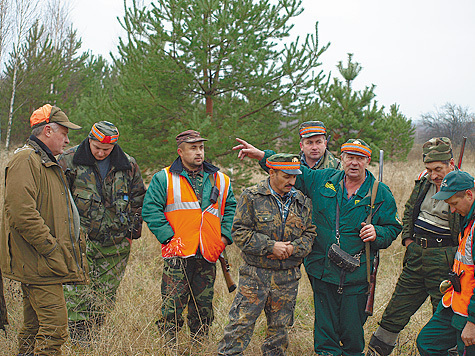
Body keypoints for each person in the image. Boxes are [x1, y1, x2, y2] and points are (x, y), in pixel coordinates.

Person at [234, 138, 402, 356]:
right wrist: (262, 155)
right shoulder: (322, 179)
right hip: (323, 270)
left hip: (357, 274)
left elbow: (393, 227)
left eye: (359, 158)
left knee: (352, 331)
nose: (354, 163)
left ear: (367, 161)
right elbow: (291, 169)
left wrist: (377, 233)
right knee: (325, 331)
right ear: (341, 158)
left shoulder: (381, 192)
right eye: (349, 157)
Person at [0, 104, 88, 355]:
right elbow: (21, 212)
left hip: (40, 262)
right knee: (54, 331)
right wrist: (50, 248)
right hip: (40, 261)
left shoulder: (45, 162)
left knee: (33, 326)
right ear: (48, 130)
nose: (68, 139)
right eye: (64, 132)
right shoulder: (26, 160)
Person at [367, 137, 460, 355]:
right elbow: (409, 210)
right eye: (429, 169)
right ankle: (376, 351)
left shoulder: (463, 186)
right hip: (417, 255)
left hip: (445, 259)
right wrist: (408, 241)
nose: (434, 175)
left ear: (451, 164)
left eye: (438, 169)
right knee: (396, 310)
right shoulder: (424, 181)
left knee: (446, 315)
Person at [142, 130, 236, 342]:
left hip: (208, 252)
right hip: (177, 254)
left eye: (201, 147)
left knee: (203, 307)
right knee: (172, 305)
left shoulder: (220, 180)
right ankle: (169, 346)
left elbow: (230, 209)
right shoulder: (163, 178)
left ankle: (199, 344)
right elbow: (150, 210)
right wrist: (168, 238)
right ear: (180, 152)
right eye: (193, 148)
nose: (199, 152)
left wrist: (223, 239)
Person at [217, 153, 316, 355]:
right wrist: (271, 246)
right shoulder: (251, 197)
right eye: (286, 176)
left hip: (287, 277)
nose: (292, 181)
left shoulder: (302, 201)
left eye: (294, 176)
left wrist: (292, 249)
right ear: (271, 172)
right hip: (255, 275)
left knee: (279, 332)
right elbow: (239, 232)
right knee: (240, 326)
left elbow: (310, 235)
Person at [58, 121, 146, 337]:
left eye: (106, 150)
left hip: (115, 244)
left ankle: (93, 334)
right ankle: (79, 338)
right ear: (89, 140)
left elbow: (138, 200)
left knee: (104, 294)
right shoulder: (68, 161)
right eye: (96, 147)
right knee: (77, 291)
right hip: (80, 241)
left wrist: (131, 234)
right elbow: (58, 200)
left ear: (114, 147)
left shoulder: (128, 165)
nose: (100, 152)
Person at [416, 170, 475, 356]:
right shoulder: (468, 219)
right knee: (427, 342)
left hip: (469, 313)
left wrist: (473, 323)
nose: (452, 210)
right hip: (455, 303)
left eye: (454, 204)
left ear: (469, 194)